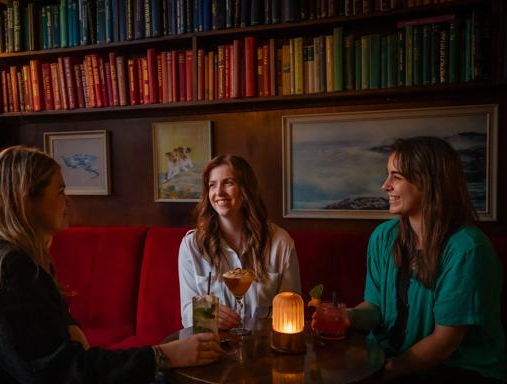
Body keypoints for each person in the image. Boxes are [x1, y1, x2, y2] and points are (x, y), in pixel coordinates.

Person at [0, 146, 221, 383]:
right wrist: (165, 355)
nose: (68, 201)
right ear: (25, 201)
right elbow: (57, 372)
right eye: (59, 191)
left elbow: (55, 346)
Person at [340, 137, 506, 383]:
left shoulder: (467, 249)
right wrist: (348, 316)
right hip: (390, 358)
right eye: (387, 175)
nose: (385, 185)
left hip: (458, 369)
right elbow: (374, 307)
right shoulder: (383, 237)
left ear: (429, 183)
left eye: (396, 177)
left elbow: (444, 342)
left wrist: (384, 373)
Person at [179, 154, 301, 329]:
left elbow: (291, 306)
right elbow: (186, 313)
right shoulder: (192, 246)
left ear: (246, 190)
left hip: (262, 346)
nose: (219, 192)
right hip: (214, 346)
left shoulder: (280, 242)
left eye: (228, 183)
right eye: (212, 185)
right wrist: (208, 314)